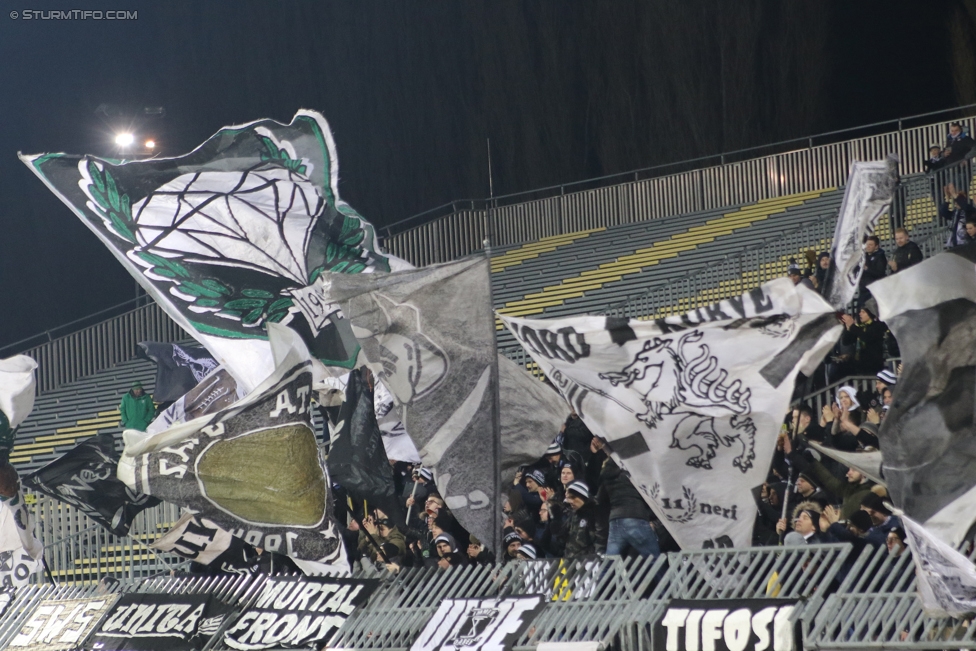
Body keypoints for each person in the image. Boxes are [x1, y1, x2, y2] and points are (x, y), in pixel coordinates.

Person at [597, 458, 659, 559]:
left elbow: (601, 500)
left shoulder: (607, 472)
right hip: (636, 517)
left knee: (610, 563)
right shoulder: (634, 468)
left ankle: (601, 575)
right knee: (655, 561)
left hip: (615, 520)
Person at [563, 481, 607, 557]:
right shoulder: (574, 514)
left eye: (573, 497)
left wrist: (597, 554)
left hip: (589, 561)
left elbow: (601, 536)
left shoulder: (596, 511)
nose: (570, 501)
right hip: (571, 561)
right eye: (569, 498)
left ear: (582, 496)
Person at [839, 305, 886, 376]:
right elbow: (846, 341)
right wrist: (847, 327)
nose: (860, 314)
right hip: (859, 366)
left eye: (863, 312)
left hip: (873, 366)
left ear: (870, 313)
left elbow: (866, 337)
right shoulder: (859, 327)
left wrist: (852, 326)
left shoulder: (878, 325)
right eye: (860, 311)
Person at [857, 236, 887, 306]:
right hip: (864, 289)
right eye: (867, 244)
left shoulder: (880, 257)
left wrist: (867, 269)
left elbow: (880, 273)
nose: (868, 247)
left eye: (870, 245)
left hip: (874, 290)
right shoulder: (864, 256)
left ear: (876, 246)